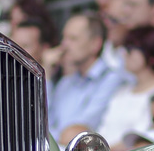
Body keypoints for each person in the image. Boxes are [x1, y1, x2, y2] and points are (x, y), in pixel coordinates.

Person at [48, 12, 127, 142]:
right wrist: (47, 78)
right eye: (64, 38)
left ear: (95, 44)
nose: (64, 45)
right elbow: (45, 126)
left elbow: (82, 131)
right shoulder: (65, 83)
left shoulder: (112, 79)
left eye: (73, 39)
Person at [97, 25, 154, 150]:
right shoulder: (121, 92)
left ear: (151, 57)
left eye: (131, 49)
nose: (125, 54)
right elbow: (104, 128)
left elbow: (141, 139)